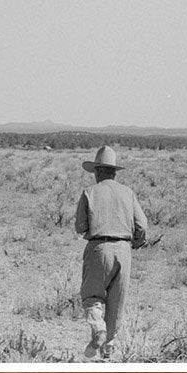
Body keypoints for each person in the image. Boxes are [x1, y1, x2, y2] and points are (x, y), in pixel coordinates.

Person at [74, 145, 148, 359]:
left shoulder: (89, 192)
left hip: (99, 248)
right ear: (114, 172)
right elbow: (142, 224)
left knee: (92, 295)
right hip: (124, 250)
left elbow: (80, 226)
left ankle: (98, 328)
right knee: (117, 301)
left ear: (97, 171)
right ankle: (109, 349)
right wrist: (136, 243)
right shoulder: (128, 192)